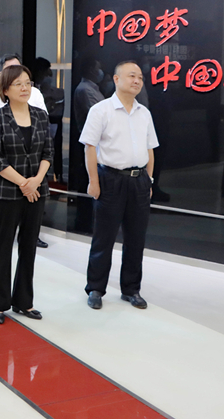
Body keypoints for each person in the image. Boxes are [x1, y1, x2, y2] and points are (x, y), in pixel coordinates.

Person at [80, 61, 159, 310]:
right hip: (110, 179)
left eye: (140, 77)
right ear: (116, 79)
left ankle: (131, 289)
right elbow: (89, 147)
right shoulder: (101, 110)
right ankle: (95, 288)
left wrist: (149, 180)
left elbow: (150, 150)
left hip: (139, 181)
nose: (137, 81)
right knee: (104, 238)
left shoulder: (144, 113)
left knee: (136, 238)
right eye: (132, 76)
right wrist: (93, 181)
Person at [0, 65, 52, 324]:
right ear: (5, 90)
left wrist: (36, 181)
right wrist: (24, 183)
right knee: (3, 247)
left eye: (28, 82)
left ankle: (24, 301)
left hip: (37, 191)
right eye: (18, 84)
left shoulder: (41, 116)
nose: (25, 88)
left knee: (29, 246)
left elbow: (48, 153)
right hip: (8, 191)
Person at [71, 57, 106, 234]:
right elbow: (100, 115)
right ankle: (84, 223)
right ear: (91, 69)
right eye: (98, 67)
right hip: (89, 144)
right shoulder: (84, 89)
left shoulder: (93, 88)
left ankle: (89, 222)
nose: (100, 71)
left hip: (97, 144)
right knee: (87, 183)